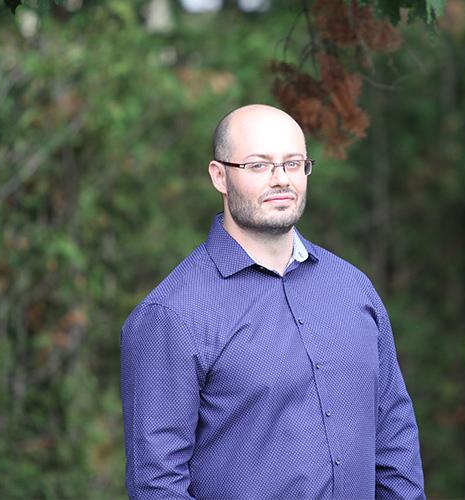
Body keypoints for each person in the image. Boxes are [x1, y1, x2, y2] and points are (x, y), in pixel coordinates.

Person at [120, 104, 424, 499]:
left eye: (293, 164)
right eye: (259, 166)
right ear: (220, 176)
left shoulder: (353, 290)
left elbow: (395, 440)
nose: (281, 180)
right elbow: (156, 485)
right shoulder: (172, 315)